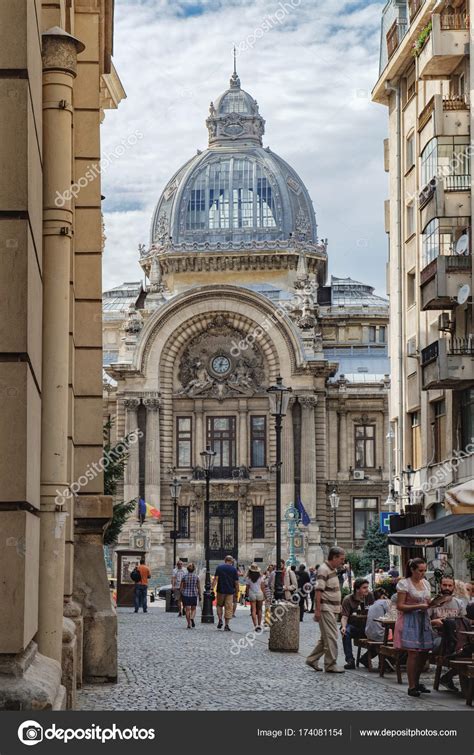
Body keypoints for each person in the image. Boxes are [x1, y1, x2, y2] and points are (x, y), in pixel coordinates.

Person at [395, 557, 434, 697]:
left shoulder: (425, 584)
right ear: (412, 570)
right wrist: (418, 606)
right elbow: (400, 606)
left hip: (423, 619)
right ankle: (411, 686)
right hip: (409, 619)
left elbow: (428, 601)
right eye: (420, 571)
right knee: (413, 652)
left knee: (424, 652)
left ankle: (417, 682)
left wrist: (434, 603)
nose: (422, 573)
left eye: (424, 571)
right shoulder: (404, 584)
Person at [306, 546, 346, 674]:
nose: (342, 562)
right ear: (334, 557)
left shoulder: (331, 569)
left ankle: (312, 659)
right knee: (331, 636)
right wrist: (317, 610)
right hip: (326, 608)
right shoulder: (323, 570)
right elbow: (318, 591)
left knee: (325, 638)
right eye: (341, 559)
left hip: (331, 608)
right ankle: (330, 664)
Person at [430, 575, 466, 692]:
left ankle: (448, 678)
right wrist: (433, 621)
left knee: (467, 650)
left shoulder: (459, 603)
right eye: (444, 585)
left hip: (456, 638)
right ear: (440, 586)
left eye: (450, 585)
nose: (447, 587)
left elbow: (463, 621)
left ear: (453, 587)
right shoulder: (433, 603)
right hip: (436, 637)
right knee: (459, 649)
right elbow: (424, 623)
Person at [341, 578, 374, 669]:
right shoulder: (348, 599)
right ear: (357, 589)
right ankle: (350, 660)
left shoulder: (370, 596)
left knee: (382, 636)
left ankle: (365, 659)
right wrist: (343, 626)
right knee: (345, 631)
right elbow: (344, 616)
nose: (367, 589)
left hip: (367, 627)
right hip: (354, 627)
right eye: (364, 587)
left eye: (367, 587)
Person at [212, 555, 239, 631]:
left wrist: (211, 588)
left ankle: (220, 619)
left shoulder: (219, 568)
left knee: (219, 605)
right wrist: (237, 592)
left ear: (225, 560)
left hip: (221, 590)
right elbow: (236, 582)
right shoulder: (234, 569)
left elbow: (215, 579)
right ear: (231, 561)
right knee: (228, 608)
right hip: (230, 591)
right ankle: (226, 625)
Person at [180, 562, 201, 629]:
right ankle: (192, 618)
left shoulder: (184, 576)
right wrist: (200, 595)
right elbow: (198, 587)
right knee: (193, 609)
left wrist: (181, 593)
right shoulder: (196, 577)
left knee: (187, 610)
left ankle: (189, 624)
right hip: (194, 594)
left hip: (186, 594)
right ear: (194, 569)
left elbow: (181, 587)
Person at [245, 563, 265, 632]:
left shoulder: (248, 578)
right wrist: (264, 595)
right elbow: (262, 587)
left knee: (253, 610)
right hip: (259, 593)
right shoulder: (261, 577)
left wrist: (246, 595)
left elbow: (247, 588)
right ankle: (259, 625)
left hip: (252, 593)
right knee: (259, 609)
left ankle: (255, 625)